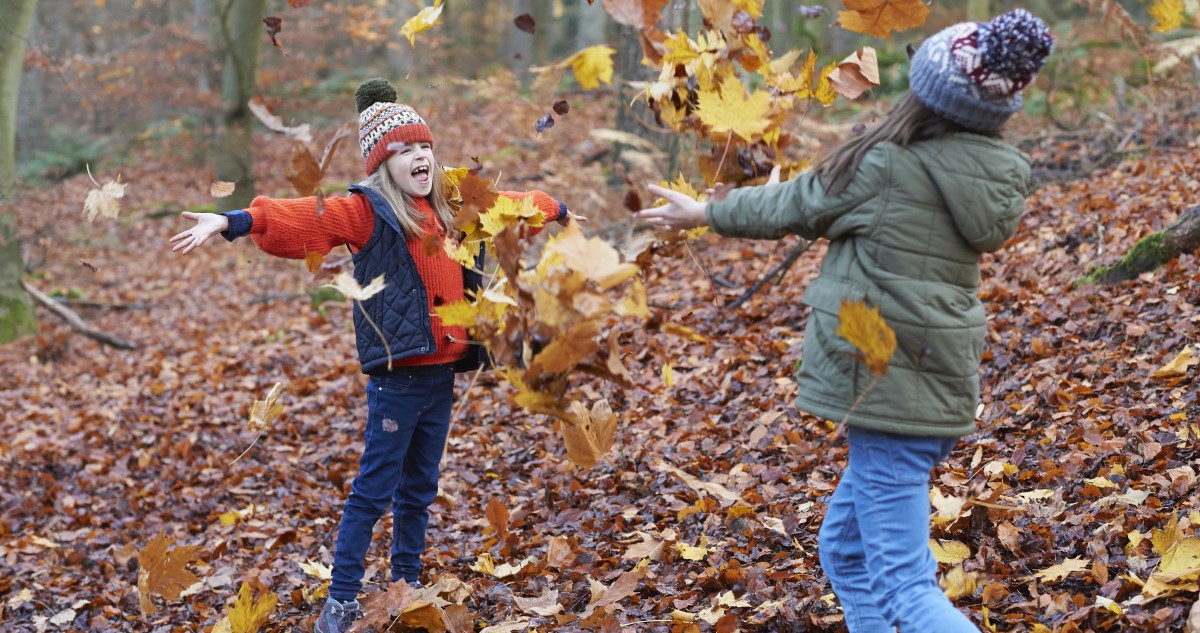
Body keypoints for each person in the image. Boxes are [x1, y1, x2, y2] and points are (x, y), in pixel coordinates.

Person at [636, 10, 1053, 632]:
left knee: (907, 590)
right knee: (847, 552)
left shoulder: (885, 165)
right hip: (932, 388)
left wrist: (703, 213)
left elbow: (795, 204)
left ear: (928, 92)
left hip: (889, 392)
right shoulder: (988, 171)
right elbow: (806, 201)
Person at [170, 78, 576, 633]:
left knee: (420, 488)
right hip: (398, 379)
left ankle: (405, 584)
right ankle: (340, 598)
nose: (420, 157)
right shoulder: (368, 212)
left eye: (425, 146)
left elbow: (508, 205)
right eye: (405, 150)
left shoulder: (453, 203)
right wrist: (235, 221)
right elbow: (305, 219)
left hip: (442, 376)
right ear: (384, 164)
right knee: (374, 490)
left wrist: (555, 210)